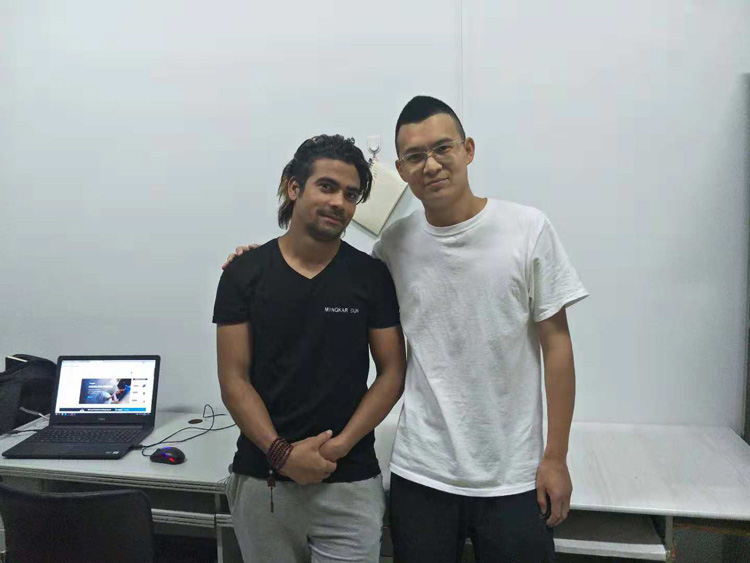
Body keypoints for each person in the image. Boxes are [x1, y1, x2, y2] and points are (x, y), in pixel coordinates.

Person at [225, 96, 588, 563]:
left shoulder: (527, 229)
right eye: (415, 156)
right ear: (401, 169)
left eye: (443, 148)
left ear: (468, 150)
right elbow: (320, 278)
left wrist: (555, 456)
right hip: (421, 473)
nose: (431, 165)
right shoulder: (394, 245)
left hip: (513, 472)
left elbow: (557, 347)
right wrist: (253, 263)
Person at [213, 134, 406, 563]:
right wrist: (281, 454)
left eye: (351, 194)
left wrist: (339, 447)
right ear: (294, 187)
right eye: (327, 187)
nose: (339, 202)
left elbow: (393, 372)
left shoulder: (371, 276)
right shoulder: (244, 274)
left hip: (349, 481)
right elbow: (233, 380)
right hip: (263, 481)